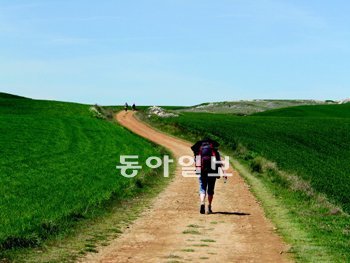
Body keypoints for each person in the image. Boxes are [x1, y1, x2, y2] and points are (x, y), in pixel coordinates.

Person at [191, 138, 224, 214]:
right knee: (210, 189)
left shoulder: (199, 151)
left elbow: (196, 162)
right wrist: (222, 172)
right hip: (213, 172)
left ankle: (202, 202)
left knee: (202, 187)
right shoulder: (215, 151)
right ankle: (209, 207)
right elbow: (219, 163)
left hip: (202, 172)